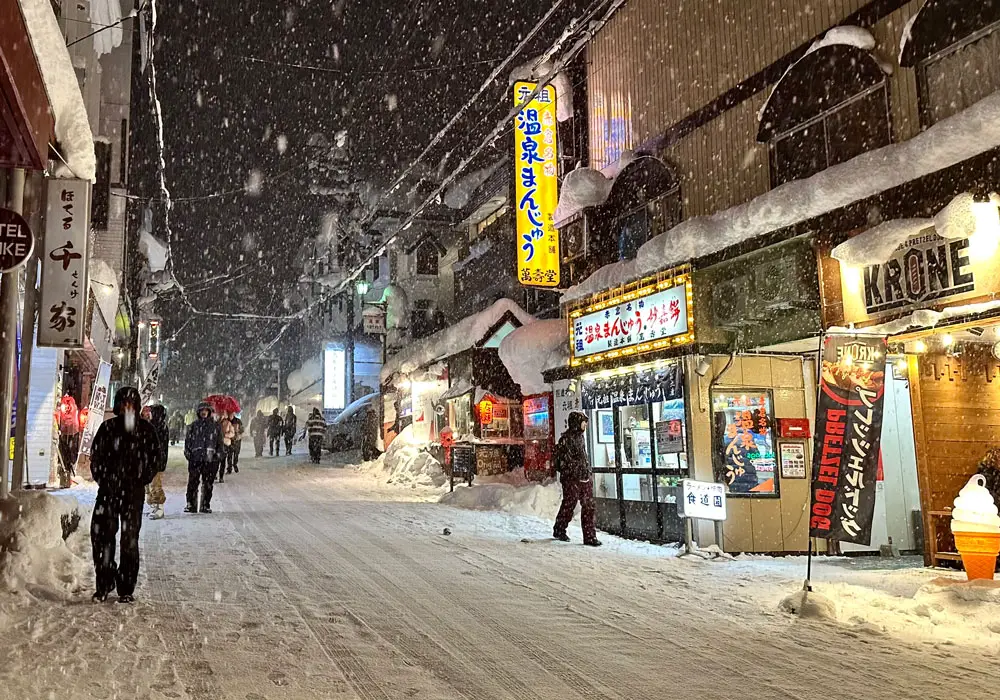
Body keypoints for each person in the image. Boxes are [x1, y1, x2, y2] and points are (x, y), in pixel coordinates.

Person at [89, 387, 161, 603]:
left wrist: (141, 478)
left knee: (129, 540)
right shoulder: (108, 427)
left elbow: (156, 459)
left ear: (137, 406)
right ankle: (104, 582)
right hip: (108, 492)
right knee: (102, 538)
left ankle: (126, 587)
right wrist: (104, 479)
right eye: (123, 403)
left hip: (133, 493)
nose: (127, 407)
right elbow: (96, 457)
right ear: (118, 405)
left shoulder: (146, 430)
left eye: (131, 403)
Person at [552, 411, 601, 547]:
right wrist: (577, 471)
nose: (585, 424)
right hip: (571, 479)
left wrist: (586, 472)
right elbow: (567, 462)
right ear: (576, 423)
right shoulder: (566, 439)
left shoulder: (580, 437)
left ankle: (589, 536)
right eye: (583, 422)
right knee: (570, 503)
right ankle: (559, 529)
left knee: (588, 506)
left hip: (584, 477)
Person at [184, 401, 223, 514]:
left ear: (209, 412)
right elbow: (188, 442)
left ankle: (205, 504)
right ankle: (191, 504)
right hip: (195, 459)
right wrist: (189, 454)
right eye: (202, 411)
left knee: (208, 484)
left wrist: (218, 456)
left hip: (210, 460)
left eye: (206, 410)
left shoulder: (215, 427)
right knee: (192, 482)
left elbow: (219, 443)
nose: (204, 413)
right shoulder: (194, 426)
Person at [145, 405, 170, 520]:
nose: (149, 414)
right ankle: (154, 506)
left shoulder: (159, 427)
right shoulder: (152, 425)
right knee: (149, 485)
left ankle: (160, 507)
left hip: (156, 461)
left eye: (151, 412)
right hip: (149, 461)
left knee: (155, 485)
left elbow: (158, 446)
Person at [57, 394, 81, 477]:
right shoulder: (73, 405)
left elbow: (59, 415)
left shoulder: (63, 404)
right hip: (73, 429)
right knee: (70, 448)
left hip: (64, 429)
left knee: (65, 448)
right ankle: (69, 464)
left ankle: (66, 464)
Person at [218, 411, 235, 482]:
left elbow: (232, 433)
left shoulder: (228, 423)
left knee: (222, 461)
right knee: (216, 461)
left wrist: (225, 435)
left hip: (225, 443)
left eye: (223, 414)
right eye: (221, 414)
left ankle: (221, 476)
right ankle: (215, 474)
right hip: (218, 443)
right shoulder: (216, 423)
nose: (221, 415)